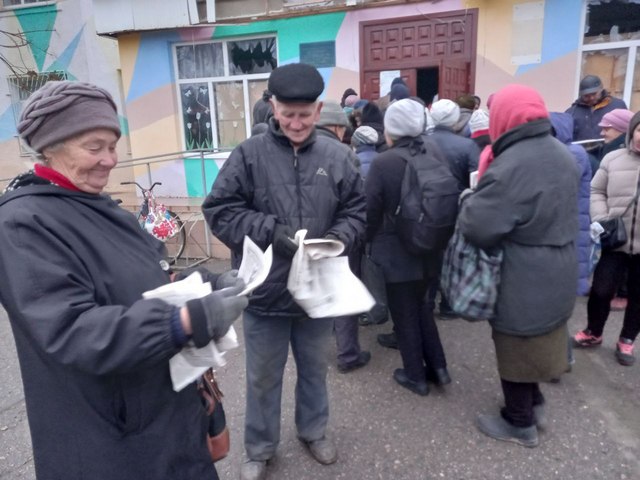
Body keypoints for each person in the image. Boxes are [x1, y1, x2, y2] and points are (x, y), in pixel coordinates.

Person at [0, 80, 249, 480]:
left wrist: (204, 283)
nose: (110, 160)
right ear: (51, 147)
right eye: (94, 147)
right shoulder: (22, 225)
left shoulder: (101, 207)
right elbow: (71, 330)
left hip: (164, 415)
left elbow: (148, 277)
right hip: (112, 443)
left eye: (113, 146)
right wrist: (185, 322)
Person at [202, 63, 366, 480]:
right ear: (272, 106)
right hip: (264, 293)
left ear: (318, 108)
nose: (296, 123)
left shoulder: (338, 155)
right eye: (287, 113)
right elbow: (219, 210)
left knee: (315, 370)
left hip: (317, 291)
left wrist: (338, 239)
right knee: (261, 379)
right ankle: (258, 448)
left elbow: (357, 211)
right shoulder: (248, 154)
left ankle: (313, 431)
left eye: (305, 114)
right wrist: (270, 232)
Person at [458, 84, 579, 447]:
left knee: (515, 340)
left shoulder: (511, 165)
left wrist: (470, 199)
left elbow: (478, 227)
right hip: (559, 263)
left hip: (523, 270)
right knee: (542, 336)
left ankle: (519, 421)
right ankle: (535, 402)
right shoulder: (561, 153)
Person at [365, 98, 452, 396]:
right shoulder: (435, 151)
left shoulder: (384, 162)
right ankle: (439, 369)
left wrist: (364, 242)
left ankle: (415, 375)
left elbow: (371, 211)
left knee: (404, 315)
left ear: (390, 130)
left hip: (397, 251)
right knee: (424, 309)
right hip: (433, 245)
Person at [573, 111, 640, 367]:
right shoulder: (613, 158)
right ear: (632, 131)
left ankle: (627, 340)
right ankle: (593, 332)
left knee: (638, 296)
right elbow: (596, 189)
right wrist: (601, 217)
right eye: (639, 130)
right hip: (615, 240)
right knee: (600, 291)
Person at [315, 100, 371, 373]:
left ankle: (317, 346)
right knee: (344, 290)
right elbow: (357, 198)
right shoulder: (344, 153)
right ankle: (348, 354)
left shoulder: (296, 149)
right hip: (340, 235)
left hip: (308, 237)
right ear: (337, 127)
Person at [565, 74, 627, 141]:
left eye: (594, 94)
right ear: (581, 95)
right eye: (586, 96)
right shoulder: (572, 112)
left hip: (611, 149)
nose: (591, 98)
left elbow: (627, 130)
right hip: (582, 150)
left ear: (601, 89)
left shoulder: (617, 105)